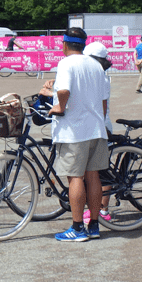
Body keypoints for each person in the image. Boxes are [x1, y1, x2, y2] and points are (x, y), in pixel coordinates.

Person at [48, 28, 110, 242]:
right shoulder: (95, 65)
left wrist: (59, 107)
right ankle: (93, 225)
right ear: (83, 44)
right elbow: (104, 101)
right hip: (96, 128)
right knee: (93, 177)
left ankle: (77, 228)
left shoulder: (66, 63)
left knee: (75, 177)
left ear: (64, 44)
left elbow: (63, 90)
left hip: (74, 130)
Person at [81, 42, 114, 228]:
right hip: (98, 125)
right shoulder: (97, 75)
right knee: (95, 170)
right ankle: (97, 207)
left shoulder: (99, 77)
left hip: (101, 127)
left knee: (102, 171)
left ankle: (103, 209)